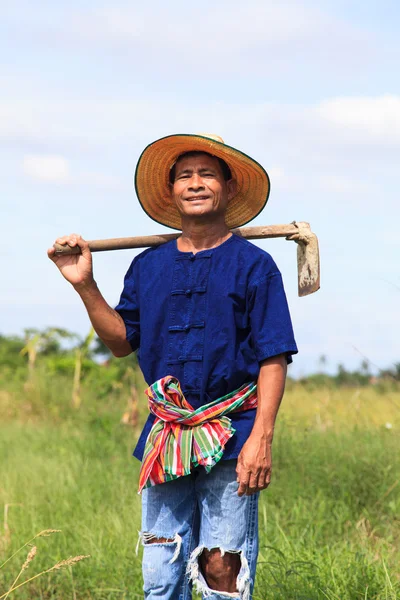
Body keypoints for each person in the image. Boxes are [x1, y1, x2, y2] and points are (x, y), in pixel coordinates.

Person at [48, 133, 298, 600]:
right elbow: (122, 342)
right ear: (172, 191)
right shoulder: (148, 266)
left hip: (234, 433)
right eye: (185, 176)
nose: (196, 183)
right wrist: (84, 285)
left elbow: (273, 356)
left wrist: (261, 438)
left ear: (226, 187)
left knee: (222, 568)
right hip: (167, 437)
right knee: (160, 568)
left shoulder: (254, 266)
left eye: (207, 174)